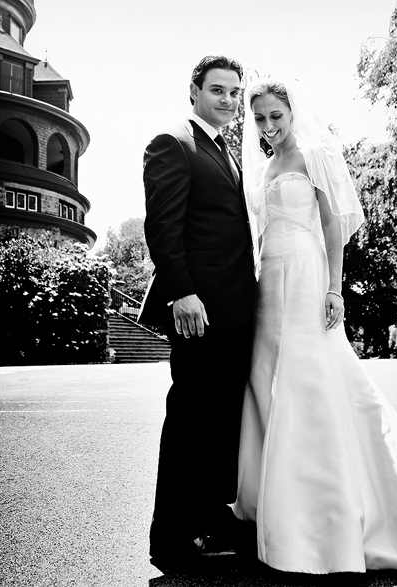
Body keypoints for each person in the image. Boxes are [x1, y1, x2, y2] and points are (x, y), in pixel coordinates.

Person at [233, 79, 397, 575]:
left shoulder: (313, 155)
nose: (269, 126)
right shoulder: (263, 167)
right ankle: (269, 501)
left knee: (310, 381)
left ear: (291, 111)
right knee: (267, 381)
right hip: (268, 280)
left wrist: (334, 288)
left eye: (275, 115)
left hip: (305, 274)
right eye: (259, 118)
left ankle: (325, 512)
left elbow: (332, 228)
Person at [139, 55, 257, 568]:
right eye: (218, 90)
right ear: (194, 89)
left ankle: (209, 522)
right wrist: (182, 292)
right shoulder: (173, 143)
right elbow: (162, 228)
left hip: (235, 310)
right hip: (199, 310)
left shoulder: (226, 150)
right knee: (189, 422)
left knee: (220, 423)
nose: (228, 100)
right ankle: (169, 541)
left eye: (235, 92)